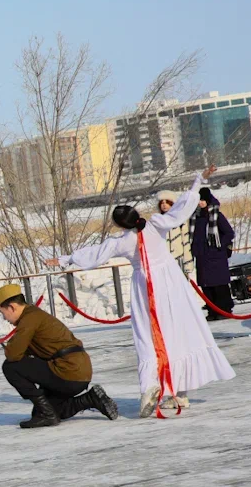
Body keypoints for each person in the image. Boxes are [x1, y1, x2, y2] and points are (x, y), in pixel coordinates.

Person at [49, 164, 233, 416]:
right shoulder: (156, 224)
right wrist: (197, 181)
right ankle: (178, 392)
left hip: (147, 287)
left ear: (119, 225)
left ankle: (156, 387)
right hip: (169, 283)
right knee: (176, 331)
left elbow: (96, 254)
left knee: (148, 336)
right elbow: (182, 209)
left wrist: (65, 259)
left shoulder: (124, 240)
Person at [0, 285, 118, 427]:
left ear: (12, 307)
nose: (4, 318)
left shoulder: (29, 319)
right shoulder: (34, 315)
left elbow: (13, 355)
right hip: (77, 371)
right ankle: (90, 398)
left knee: (11, 367)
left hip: (67, 370)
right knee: (49, 411)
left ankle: (47, 414)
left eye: (2, 312)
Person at [191, 186, 236, 320]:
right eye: (199, 200)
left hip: (216, 255)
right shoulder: (195, 218)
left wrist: (219, 246)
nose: (201, 203)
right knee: (206, 286)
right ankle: (212, 311)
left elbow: (229, 233)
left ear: (208, 200)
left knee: (219, 285)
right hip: (202, 256)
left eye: (203, 200)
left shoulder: (217, 215)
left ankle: (224, 310)